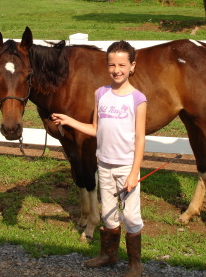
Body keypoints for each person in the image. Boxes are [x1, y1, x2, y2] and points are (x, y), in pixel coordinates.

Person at [52, 40, 147, 277]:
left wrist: (135, 172)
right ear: (107, 65)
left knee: (131, 215)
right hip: (103, 165)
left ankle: (135, 263)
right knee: (108, 214)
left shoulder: (138, 99)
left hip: (126, 166)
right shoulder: (100, 93)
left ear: (132, 66)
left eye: (122, 65)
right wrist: (69, 120)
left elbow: (141, 139)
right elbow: (96, 129)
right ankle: (108, 254)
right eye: (112, 64)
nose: (117, 70)